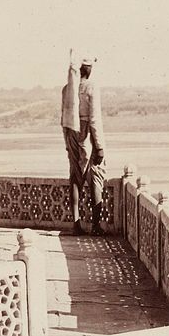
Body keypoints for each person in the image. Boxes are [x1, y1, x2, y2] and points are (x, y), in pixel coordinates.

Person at [61, 53, 106, 234]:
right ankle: (96, 226)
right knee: (95, 177)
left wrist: (67, 140)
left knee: (75, 177)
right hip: (87, 133)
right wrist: (100, 146)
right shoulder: (91, 87)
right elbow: (95, 118)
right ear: (89, 70)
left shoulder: (67, 89)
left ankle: (76, 224)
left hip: (71, 133)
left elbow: (63, 118)